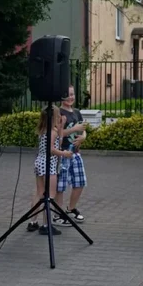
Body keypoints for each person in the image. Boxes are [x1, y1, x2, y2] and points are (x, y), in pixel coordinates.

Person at [28, 106, 73, 235]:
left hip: (39, 163)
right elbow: (52, 149)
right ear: (54, 117)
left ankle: (32, 221)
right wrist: (64, 154)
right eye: (58, 115)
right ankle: (46, 225)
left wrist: (61, 127)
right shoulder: (52, 132)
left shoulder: (44, 130)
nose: (60, 117)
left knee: (39, 192)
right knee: (50, 196)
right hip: (49, 165)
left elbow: (55, 143)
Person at [55, 86, 88, 226]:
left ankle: (71, 208)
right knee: (60, 186)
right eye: (68, 95)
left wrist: (83, 137)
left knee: (79, 182)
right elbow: (58, 133)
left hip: (75, 153)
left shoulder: (76, 112)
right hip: (63, 153)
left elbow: (83, 129)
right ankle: (58, 214)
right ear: (62, 97)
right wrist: (74, 130)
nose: (71, 97)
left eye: (72, 94)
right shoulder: (58, 112)